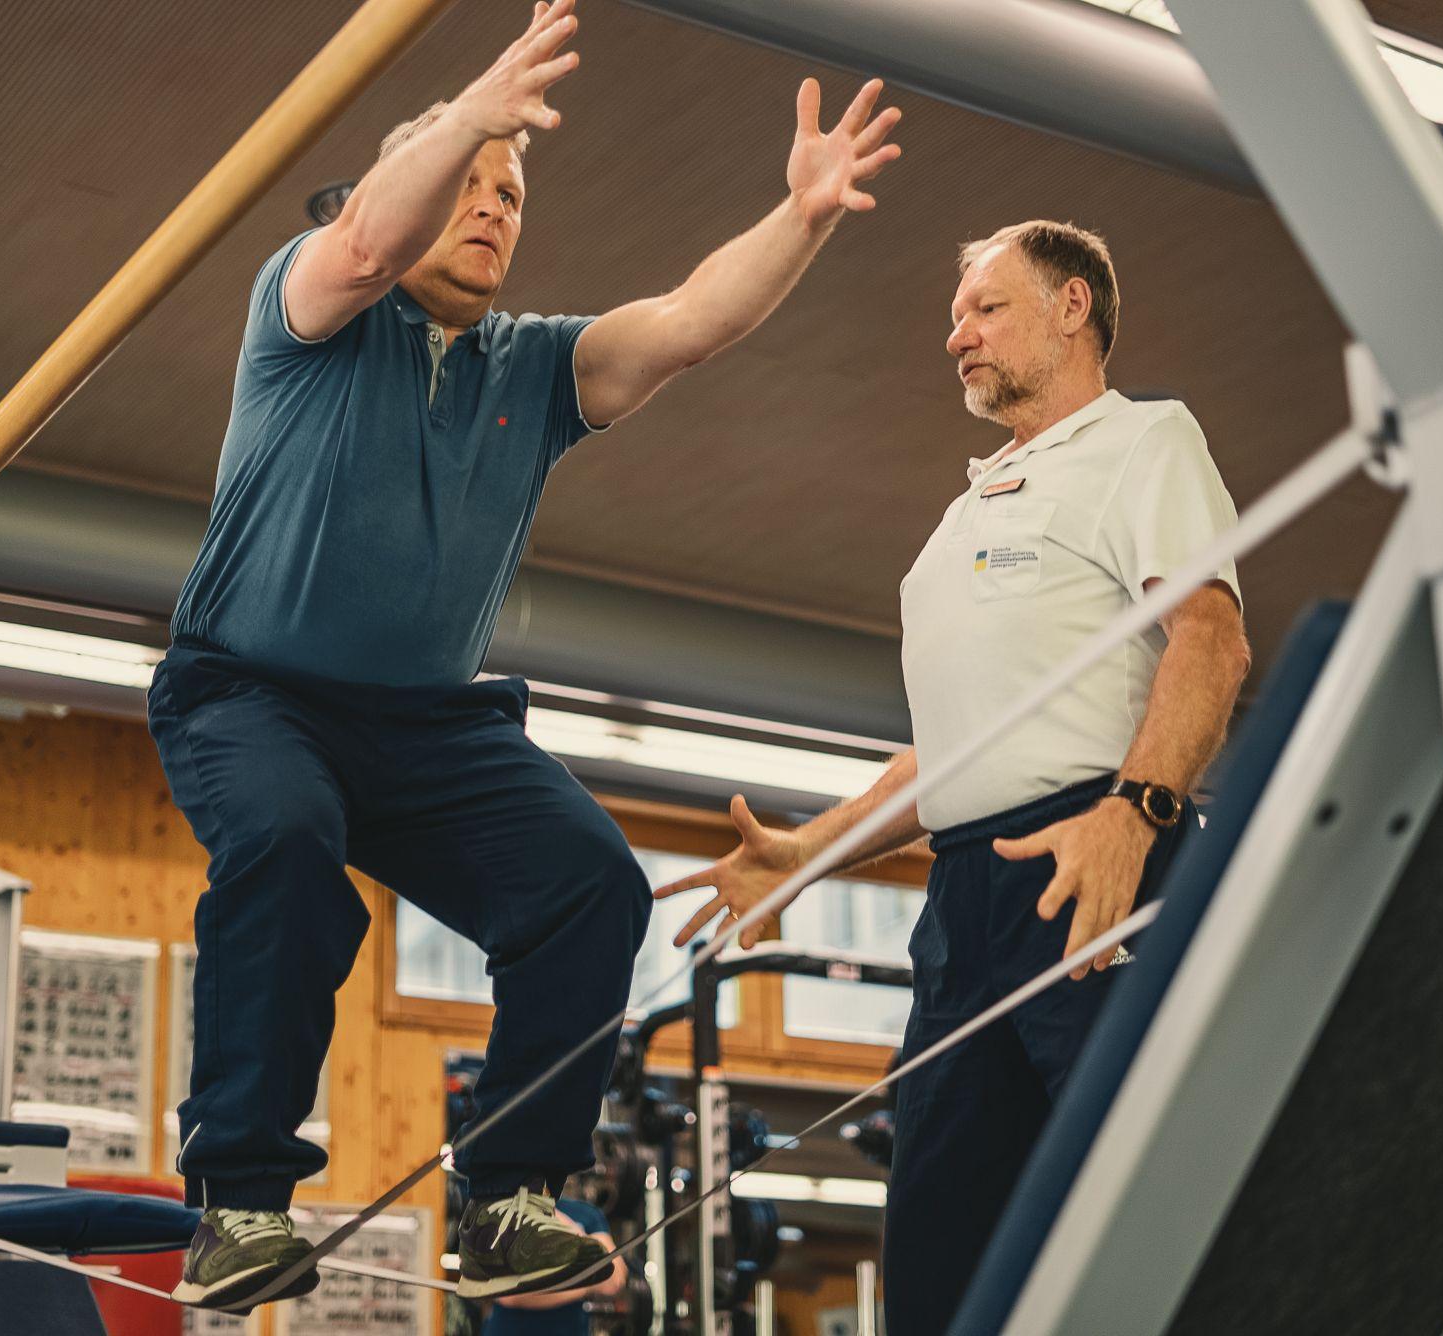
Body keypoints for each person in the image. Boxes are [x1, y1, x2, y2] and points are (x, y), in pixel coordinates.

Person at [148, 0, 904, 1312]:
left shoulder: (537, 368)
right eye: (476, 182)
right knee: (284, 842)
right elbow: (374, 233)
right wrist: (472, 116)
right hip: (252, 696)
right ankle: (240, 1202)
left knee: (588, 883)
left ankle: (508, 1198)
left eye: (515, 192)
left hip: (431, 728)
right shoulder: (313, 313)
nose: (498, 206)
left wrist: (805, 215)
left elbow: (686, 324)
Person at [655, 221, 1250, 1332]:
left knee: (1140, 1203)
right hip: (964, 902)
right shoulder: (950, 531)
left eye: (983, 307)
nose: (953, 335)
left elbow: (1207, 642)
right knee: (939, 1238)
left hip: (1093, 861)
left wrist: (1135, 811)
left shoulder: (1142, 441)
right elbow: (952, 758)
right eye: (953, 315)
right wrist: (808, 850)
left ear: (1071, 309)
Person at [478, 1199, 626, 1335]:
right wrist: (586, 1280)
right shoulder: (506, 1208)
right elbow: (508, 1293)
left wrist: (554, 1217)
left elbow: (613, 1281)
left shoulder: (586, 1214)